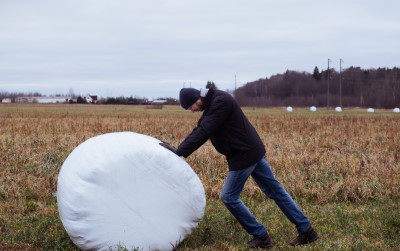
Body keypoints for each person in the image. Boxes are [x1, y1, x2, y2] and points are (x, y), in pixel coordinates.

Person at [160, 83, 318, 249]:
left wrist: (180, 152)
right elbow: (201, 127)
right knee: (276, 191)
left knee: (228, 197)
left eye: (190, 106)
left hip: (244, 155)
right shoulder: (215, 102)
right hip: (251, 151)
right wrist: (179, 149)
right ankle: (307, 230)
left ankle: (260, 235)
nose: (192, 110)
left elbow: (204, 130)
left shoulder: (220, 102)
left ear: (197, 99)